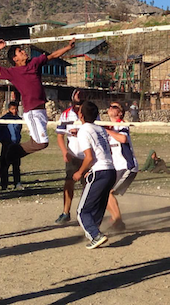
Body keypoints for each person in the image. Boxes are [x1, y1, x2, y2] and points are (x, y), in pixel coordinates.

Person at [0, 38, 75, 162]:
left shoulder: (34, 63)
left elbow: (53, 55)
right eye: (20, 51)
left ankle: (9, 158)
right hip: (32, 112)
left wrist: (68, 47)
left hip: (42, 110)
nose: (23, 52)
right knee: (42, 143)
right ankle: (10, 154)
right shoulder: (12, 72)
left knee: (37, 142)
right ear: (15, 59)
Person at [73, 101, 116, 249]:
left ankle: (95, 235)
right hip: (111, 171)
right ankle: (94, 232)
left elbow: (89, 157)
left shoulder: (84, 130)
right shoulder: (100, 129)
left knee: (82, 211)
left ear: (81, 115)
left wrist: (80, 172)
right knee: (97, 207)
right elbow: (106, 151)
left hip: (100, 171)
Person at [105, 102, 139, 230]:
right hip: (116, 167)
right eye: (110, 106)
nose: (110, 108)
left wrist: (107, 130)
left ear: (119, 112)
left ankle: (118, 220)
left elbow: (123, 139)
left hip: (127, 166)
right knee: (105, 192)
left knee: (108, 192)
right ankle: (116, 219)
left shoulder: (121, 124)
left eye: (114, 107)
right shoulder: (107, 126)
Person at [55, 89, 86, 224]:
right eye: (77, 94)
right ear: (72, 98)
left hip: (88, 155)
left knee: (88, 184)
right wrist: (64, 152)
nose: (79, 96)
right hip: (73, 154)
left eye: (81, 94)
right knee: (69, 182)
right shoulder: (66, 115)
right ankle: (65, 212)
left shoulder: (90, 112)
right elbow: (60, 135)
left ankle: (86, 212)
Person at [0, 101, 23, 190]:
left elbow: (19, 130)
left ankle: (17, 183)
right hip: (7, 145)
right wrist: (4, 141)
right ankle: (4, 185)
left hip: (16, 145)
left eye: (16, 109)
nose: (14, 110)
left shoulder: (19, 119)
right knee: (5, 165)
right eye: (12, 109)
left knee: (16, 165)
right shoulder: (4, 119)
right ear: (9, 109)